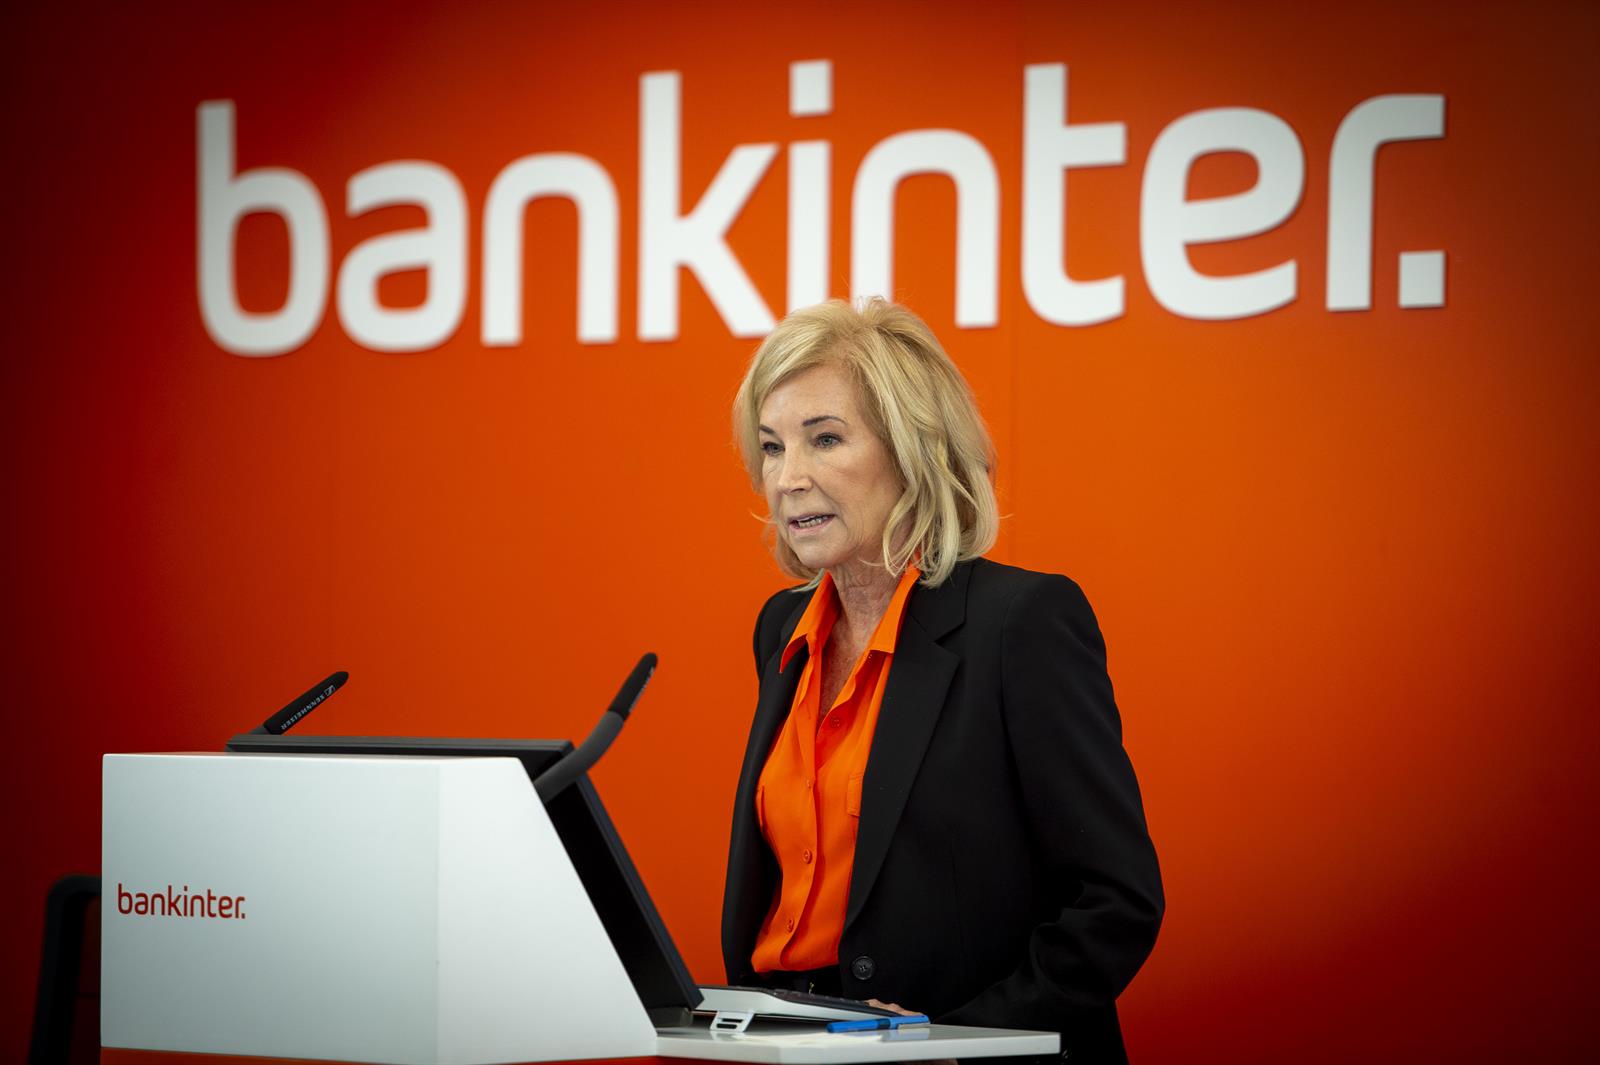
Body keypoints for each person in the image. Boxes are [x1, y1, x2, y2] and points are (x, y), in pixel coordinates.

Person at [721, 299, 1164, 1065]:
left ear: (911, 451)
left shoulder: (1019, 623)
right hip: (792, 1046)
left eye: (825, 439)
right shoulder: (779, 629)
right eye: (771, 446)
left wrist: (954, 1042)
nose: (787, 478)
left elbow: (1115, 902)